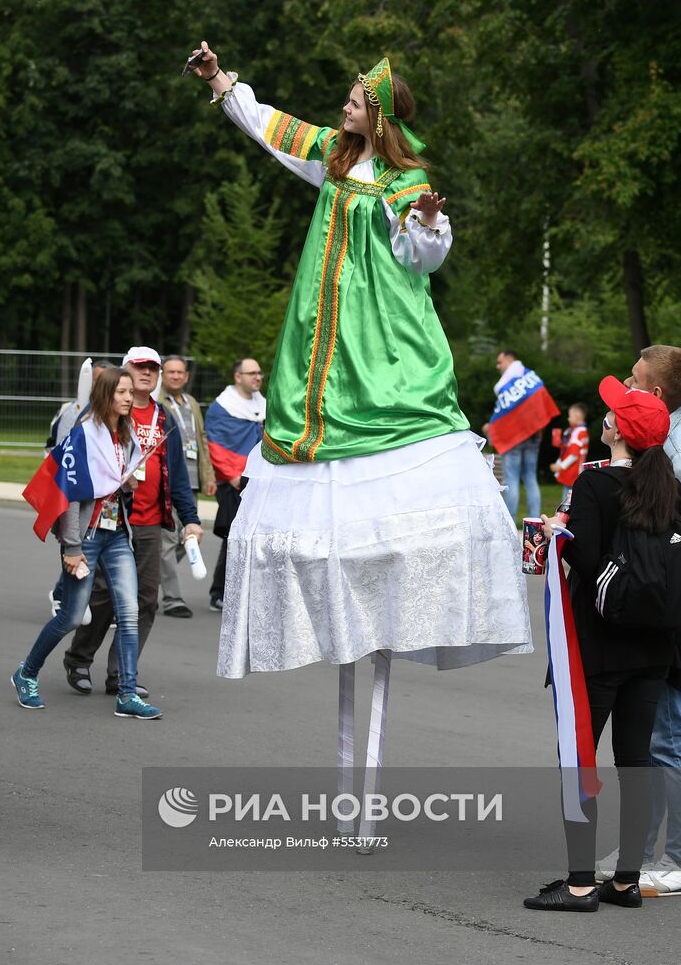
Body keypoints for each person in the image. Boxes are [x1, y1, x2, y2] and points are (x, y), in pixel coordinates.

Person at [190, 43, 531, 819]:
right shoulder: (334, 159)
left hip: (384, 350)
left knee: (392, 500)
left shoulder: (409, 182)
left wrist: (432, 225)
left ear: (378, 115)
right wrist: (220, 83)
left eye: (352, 100)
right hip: (323, 351)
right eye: (344, 99)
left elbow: (422, 259)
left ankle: (392, 627)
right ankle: (354, 782)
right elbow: (269, 126)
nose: (341, 106)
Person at [524, 377, 681, 912]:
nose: (604, 418)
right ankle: (627, 880)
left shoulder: (594, 485)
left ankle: (581, 882)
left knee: (580, 759)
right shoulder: (666, 485)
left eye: (611, 415)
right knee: (636, 763)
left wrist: (555, 533)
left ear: (618, 432)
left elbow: (584, 558)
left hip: (599, 646)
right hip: (656, 650)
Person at [596, 346, 681, 897]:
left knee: (672, 738)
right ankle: (640, 851)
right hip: (670, 610)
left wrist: (671, 616)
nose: (626, 386)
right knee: (652, 736)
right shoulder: (662, 442)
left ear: (654, 394)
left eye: (633, 380)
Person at [14, 368, 163, 719]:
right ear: (106, 395)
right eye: (122, 392)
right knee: (70, 616)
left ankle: (127, 694)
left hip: (116, 536)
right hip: (85, 538)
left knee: (128, 614)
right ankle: (26, 673)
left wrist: (128, 485)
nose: (129, 398)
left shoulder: (124, 436)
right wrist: (71, 547)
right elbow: (68, 492)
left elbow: (116, 486)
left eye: (130, 392)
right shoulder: (84, 435)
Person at [62, 347, 203, 696]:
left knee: (146, 601)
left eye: (152, 368)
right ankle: (79, 659)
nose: (147, 373)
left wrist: (191, 519)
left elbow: (180, 478)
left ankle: (120, 674)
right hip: (111, 521)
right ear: (126, 371)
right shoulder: (106, 413)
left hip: (150, 522)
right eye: (140, 367)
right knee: (104, 597)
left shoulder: (164, 417)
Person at [47, 358, 115, 623]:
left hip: (105, 508)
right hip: (75, 497)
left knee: (94, 559)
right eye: (97, 380)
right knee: (75, 552)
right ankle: (62, 595)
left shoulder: (115, 417)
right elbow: (61, 456)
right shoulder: (75, 413)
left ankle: (86, 602)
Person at [204, 358, 266, 611]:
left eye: (259, 373)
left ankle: (246, 590)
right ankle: (220, 592)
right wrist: (231, 476)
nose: (257, 377)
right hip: (234, 482)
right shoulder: (223, 407)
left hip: (258, 477)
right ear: (237, 376)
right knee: (233, 536)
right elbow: (216, 444)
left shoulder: (262, 404)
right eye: (251, 373)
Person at [158, 354, 217, 618]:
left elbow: (201, 439)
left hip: (190, 482)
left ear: (186, 376)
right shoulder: (158, 402)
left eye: (180, 372)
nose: (175, 376)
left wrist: (208, 475)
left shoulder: (190, 402)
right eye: (170, 372)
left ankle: (153, 572)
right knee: (169, 540)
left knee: (189, 537)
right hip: (168, 480)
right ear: (163, 374)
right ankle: (172, 598)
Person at [483, 349, 559, 521]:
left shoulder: (506, 386)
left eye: (500, 362)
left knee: (511, 480)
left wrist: (492, 427)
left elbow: (503, 415)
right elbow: (541, 406)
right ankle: (535, 522)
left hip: (513, 439)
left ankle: (510, 522)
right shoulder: (531, 378)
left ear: (509, 361)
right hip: (534, 436)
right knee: (531, 478)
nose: (498, 366)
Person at [550, 403, 589, 489]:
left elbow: (573, 455)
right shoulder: (583, 431)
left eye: (570, 416)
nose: (568, 419)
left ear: (577, 417)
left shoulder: (577, 433)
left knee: (567, 498)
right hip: (578, 470)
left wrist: (560, 466)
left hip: (572, 471)